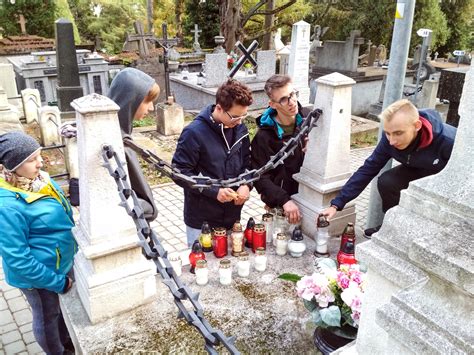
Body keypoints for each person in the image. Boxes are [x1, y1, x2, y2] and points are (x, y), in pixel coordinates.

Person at [322, 99, 457, 237]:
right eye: (387, 133)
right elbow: (369, 168)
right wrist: (336, 204)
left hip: (445, 178)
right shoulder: (389, 140)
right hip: (416, 167)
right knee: (387, 181)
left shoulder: (449, 142)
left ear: (417, 125)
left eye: (398, 133)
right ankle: (391, 225)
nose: (392, 141)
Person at [0, 131, 76, 355]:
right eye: (31, 160)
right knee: (46, 318)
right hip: (39, 276)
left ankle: (67, 342)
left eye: (39, 155)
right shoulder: (7, 207)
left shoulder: (40, 180)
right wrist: (57, 282)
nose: (40, 163)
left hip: (57, 262)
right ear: (12, 166)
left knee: (58, 311)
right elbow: (18, 259)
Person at [172, 79, 253, 246]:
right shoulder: (193, 133)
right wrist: (214, 191)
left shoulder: (240, 129)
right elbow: (179, 173)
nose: (239, 121)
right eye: (235, 116)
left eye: (243, 115)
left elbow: (248, 163)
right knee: (202, 266)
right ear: (219, 108)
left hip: (232, 216)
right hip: (202, 221)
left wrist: (247, 185)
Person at [250, 74, 311, 224]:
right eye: (284, 99)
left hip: (311, 197)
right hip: (283, 206)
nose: (292, 102)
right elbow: (261, 177)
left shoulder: (310, 119)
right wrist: (284, 201)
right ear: (273, 104)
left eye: (292, 94)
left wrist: (315, 149)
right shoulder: (264, 136)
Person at [108, 67, 161, 222]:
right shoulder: (118, 143)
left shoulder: (118, 133)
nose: (151, 108)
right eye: (147, 101)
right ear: (130, 100)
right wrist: (150, 208)